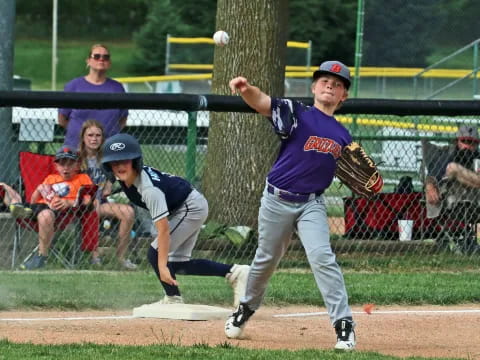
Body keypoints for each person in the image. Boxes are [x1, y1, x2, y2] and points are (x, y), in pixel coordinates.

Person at [224, 61, 356, 351]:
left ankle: (344, 325)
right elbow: (262, 102)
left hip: (312, 204)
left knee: (322, 257)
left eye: (337, 84)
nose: (330, 86)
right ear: (314, 87)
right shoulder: (296, 113)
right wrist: (246, 90)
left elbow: (350, 172)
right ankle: (245, 308)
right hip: (276, 200)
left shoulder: (343, 136)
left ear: (343, 96)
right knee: (266, 260)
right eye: (324, 81)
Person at [100, 133, 250, 306]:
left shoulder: (149, 190)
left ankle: (172, 298)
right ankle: (235, 272)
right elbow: (111, 176)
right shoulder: (126, 178)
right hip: (186, 205)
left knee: (155, 254)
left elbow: (163, 230)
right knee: (179, 263)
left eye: (125, 161)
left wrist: (162, 267)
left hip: (189, 207)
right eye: (114, 163)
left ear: (135, 162)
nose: (120, 166)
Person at [3, 146, 99, 270]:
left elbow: (87, 201)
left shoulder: (82, 178)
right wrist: (38, 189)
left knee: (45, 214)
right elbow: (33, 201)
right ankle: (18, 208)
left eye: (70, 164)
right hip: (36, 208)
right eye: (62, 164)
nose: (66, 168)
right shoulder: (50, 178)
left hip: (61, 212)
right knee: (3, 187)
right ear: (56, 166)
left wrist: (69, 203)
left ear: (77, 165)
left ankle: (41, 257)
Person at [79, 120, 137, 270]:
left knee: (128, 212)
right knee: (94, 207)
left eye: (98, 135)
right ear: (83, 138)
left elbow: (113, 179)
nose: (94, 139)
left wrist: (110, 182)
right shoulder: (77, 159)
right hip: (80, 204)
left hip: (101, 202)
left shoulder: (107, 159)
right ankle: (94, 256)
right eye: (90, 135)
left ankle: (121, 257)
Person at [58, 43, 128, 149]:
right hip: (76, 147)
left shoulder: (117, 88)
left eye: (106, 57)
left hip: (107, 149)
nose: (101, 59)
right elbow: (62, 119)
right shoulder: (73, 86)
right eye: (96, 56)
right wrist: (81, 134)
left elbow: (122, 119)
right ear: (88, 61)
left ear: (109, 62)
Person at [423, 125, 480, 218]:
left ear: (477, 145)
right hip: (451, 201)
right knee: (452, 167)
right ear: (457, 141)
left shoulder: (477, 158)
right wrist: (429, 185)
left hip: (474, 200)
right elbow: (433, 172)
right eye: (464, 141)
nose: (467, 146)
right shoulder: (448, 153)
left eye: (471, 142)